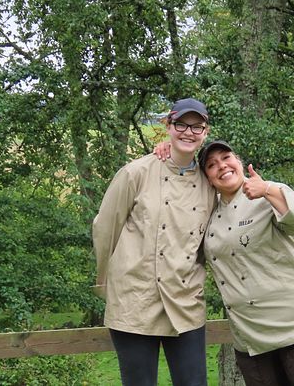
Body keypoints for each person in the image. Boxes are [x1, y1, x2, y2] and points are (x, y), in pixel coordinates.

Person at [182, 139, 294, 386]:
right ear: (208, 179)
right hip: (251, 337)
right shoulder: (208, 213)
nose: (222, 166)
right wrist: (168, 151)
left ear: (240, 163)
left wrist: (266, 189)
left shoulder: (267, 191)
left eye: (226, 158)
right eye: (212, 165)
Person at [92, 98, 216, 386]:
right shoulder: (135, 173)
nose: (189, 132)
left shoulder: (210, 184)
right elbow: (104, 229)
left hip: (186, 302)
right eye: (182, 124)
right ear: (168, 126)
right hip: (134, 301)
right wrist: (105, 283)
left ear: (205, 132)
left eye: (197, 126)